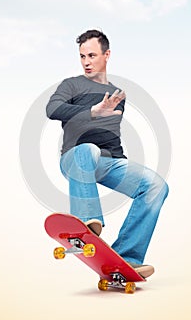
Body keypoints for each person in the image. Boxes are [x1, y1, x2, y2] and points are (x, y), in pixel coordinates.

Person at [46, 29, 169, 278]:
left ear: (107, 54)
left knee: (156, 185)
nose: (86, 62)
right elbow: (52, 109)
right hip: (75, 158)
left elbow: (110, 133)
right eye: (82, 56)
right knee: (88, 150)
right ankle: (87, 220)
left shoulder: (116, 95)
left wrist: (121, 163)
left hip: (108, 160)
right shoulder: (71, 85)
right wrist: (92, 111)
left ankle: (127, 256)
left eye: (91, 55)